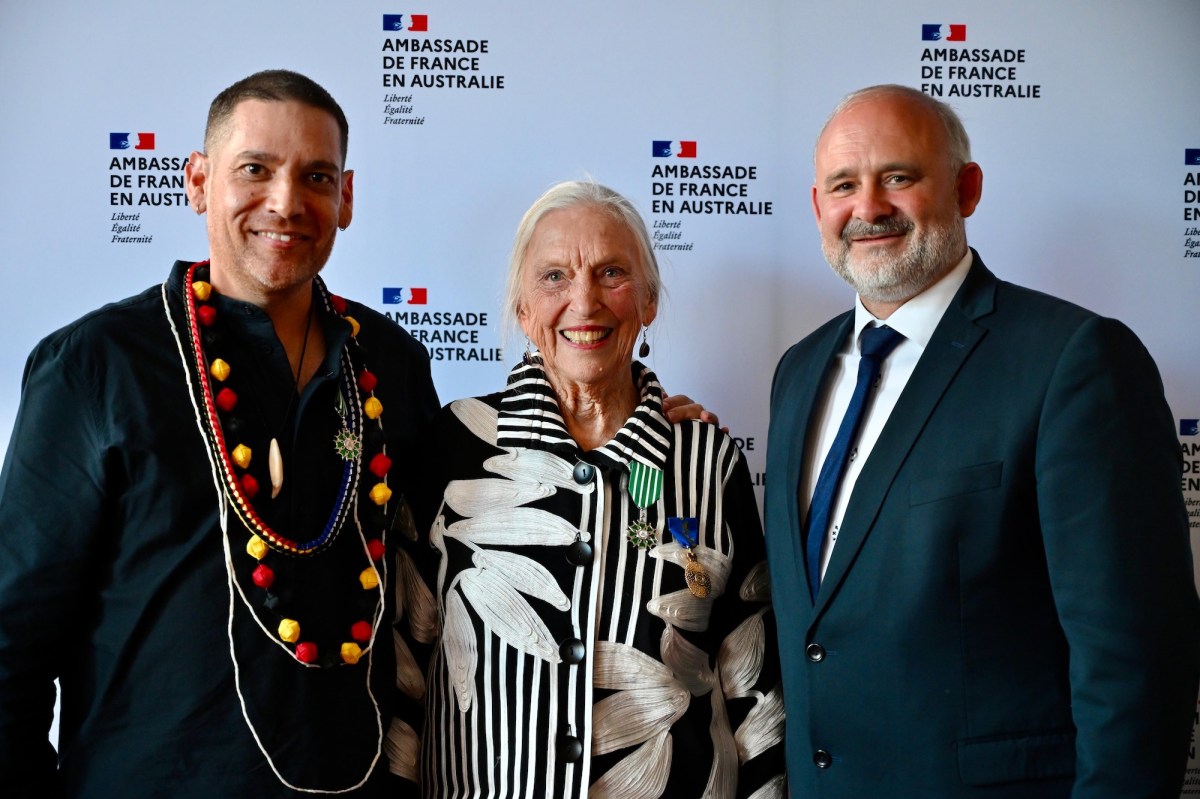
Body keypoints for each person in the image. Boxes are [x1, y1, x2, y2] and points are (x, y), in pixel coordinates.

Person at [0, 70, 441, 797]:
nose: (286, 201)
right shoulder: (96, 364)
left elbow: (459, 544)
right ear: (199, 182)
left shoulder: (390, 362)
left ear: (346, 197)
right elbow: (12, 641)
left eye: (316, 176)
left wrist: (631, 419)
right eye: (255, 170)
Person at [763, 83, 1200, 797]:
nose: (868, 207)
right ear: (818, 208)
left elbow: (1136, 665)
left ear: (967, 188)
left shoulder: (1073, 362)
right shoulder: (798, 372)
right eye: (844, 185)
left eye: (898, 177)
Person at [394, 180, 786, 797]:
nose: (584, 300)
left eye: (611, 274)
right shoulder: (455, 447)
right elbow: (404, 664)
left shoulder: (708, 460)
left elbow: (753, 683)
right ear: (523, 309)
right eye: (554, 277)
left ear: (649, 301)